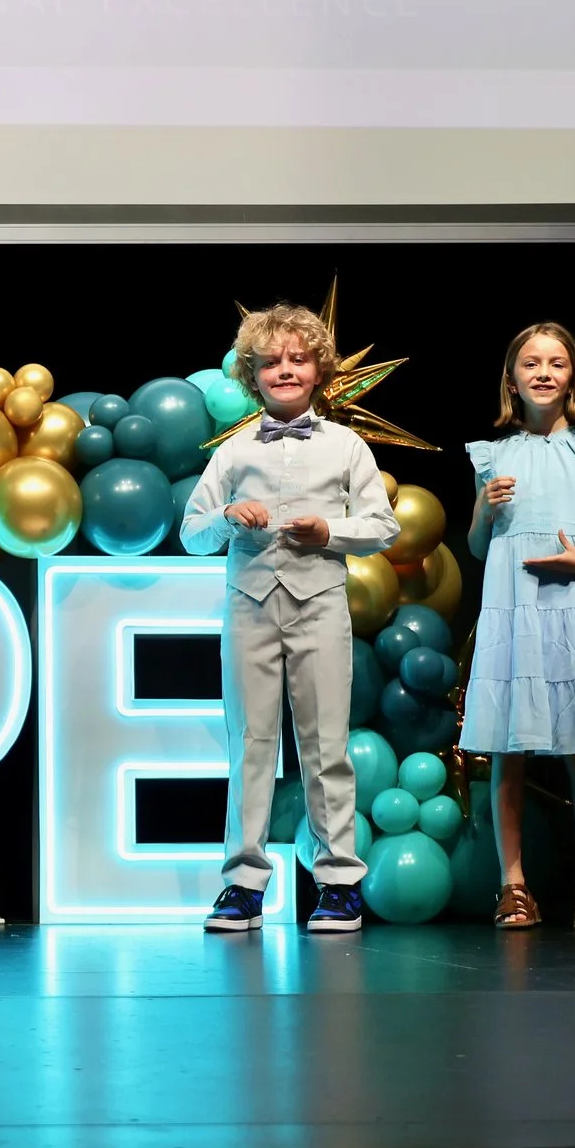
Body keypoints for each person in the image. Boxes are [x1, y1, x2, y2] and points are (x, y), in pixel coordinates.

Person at [180, 303, 400, 934]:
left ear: (318, 370)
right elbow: (191, 532)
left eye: (298, 359)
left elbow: (383, 527)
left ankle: (339, 883)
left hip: (319, 604)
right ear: (252, 375)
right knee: (250, 744)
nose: (285, 370)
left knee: (326, 745)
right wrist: (227, 517)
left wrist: (330, 530)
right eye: (271, 361)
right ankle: (243, 884)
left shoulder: (345, 445)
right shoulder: (232, 451)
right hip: (249, 605)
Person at [459, 322, 575, 931]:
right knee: (509, 747)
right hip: (516, 606)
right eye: (531, 363)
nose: (543, 372)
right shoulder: (493, 456)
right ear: (512, 379)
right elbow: (479, 547)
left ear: (572, 378)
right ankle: (512, 884)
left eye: (556, 363)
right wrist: (484, 507)